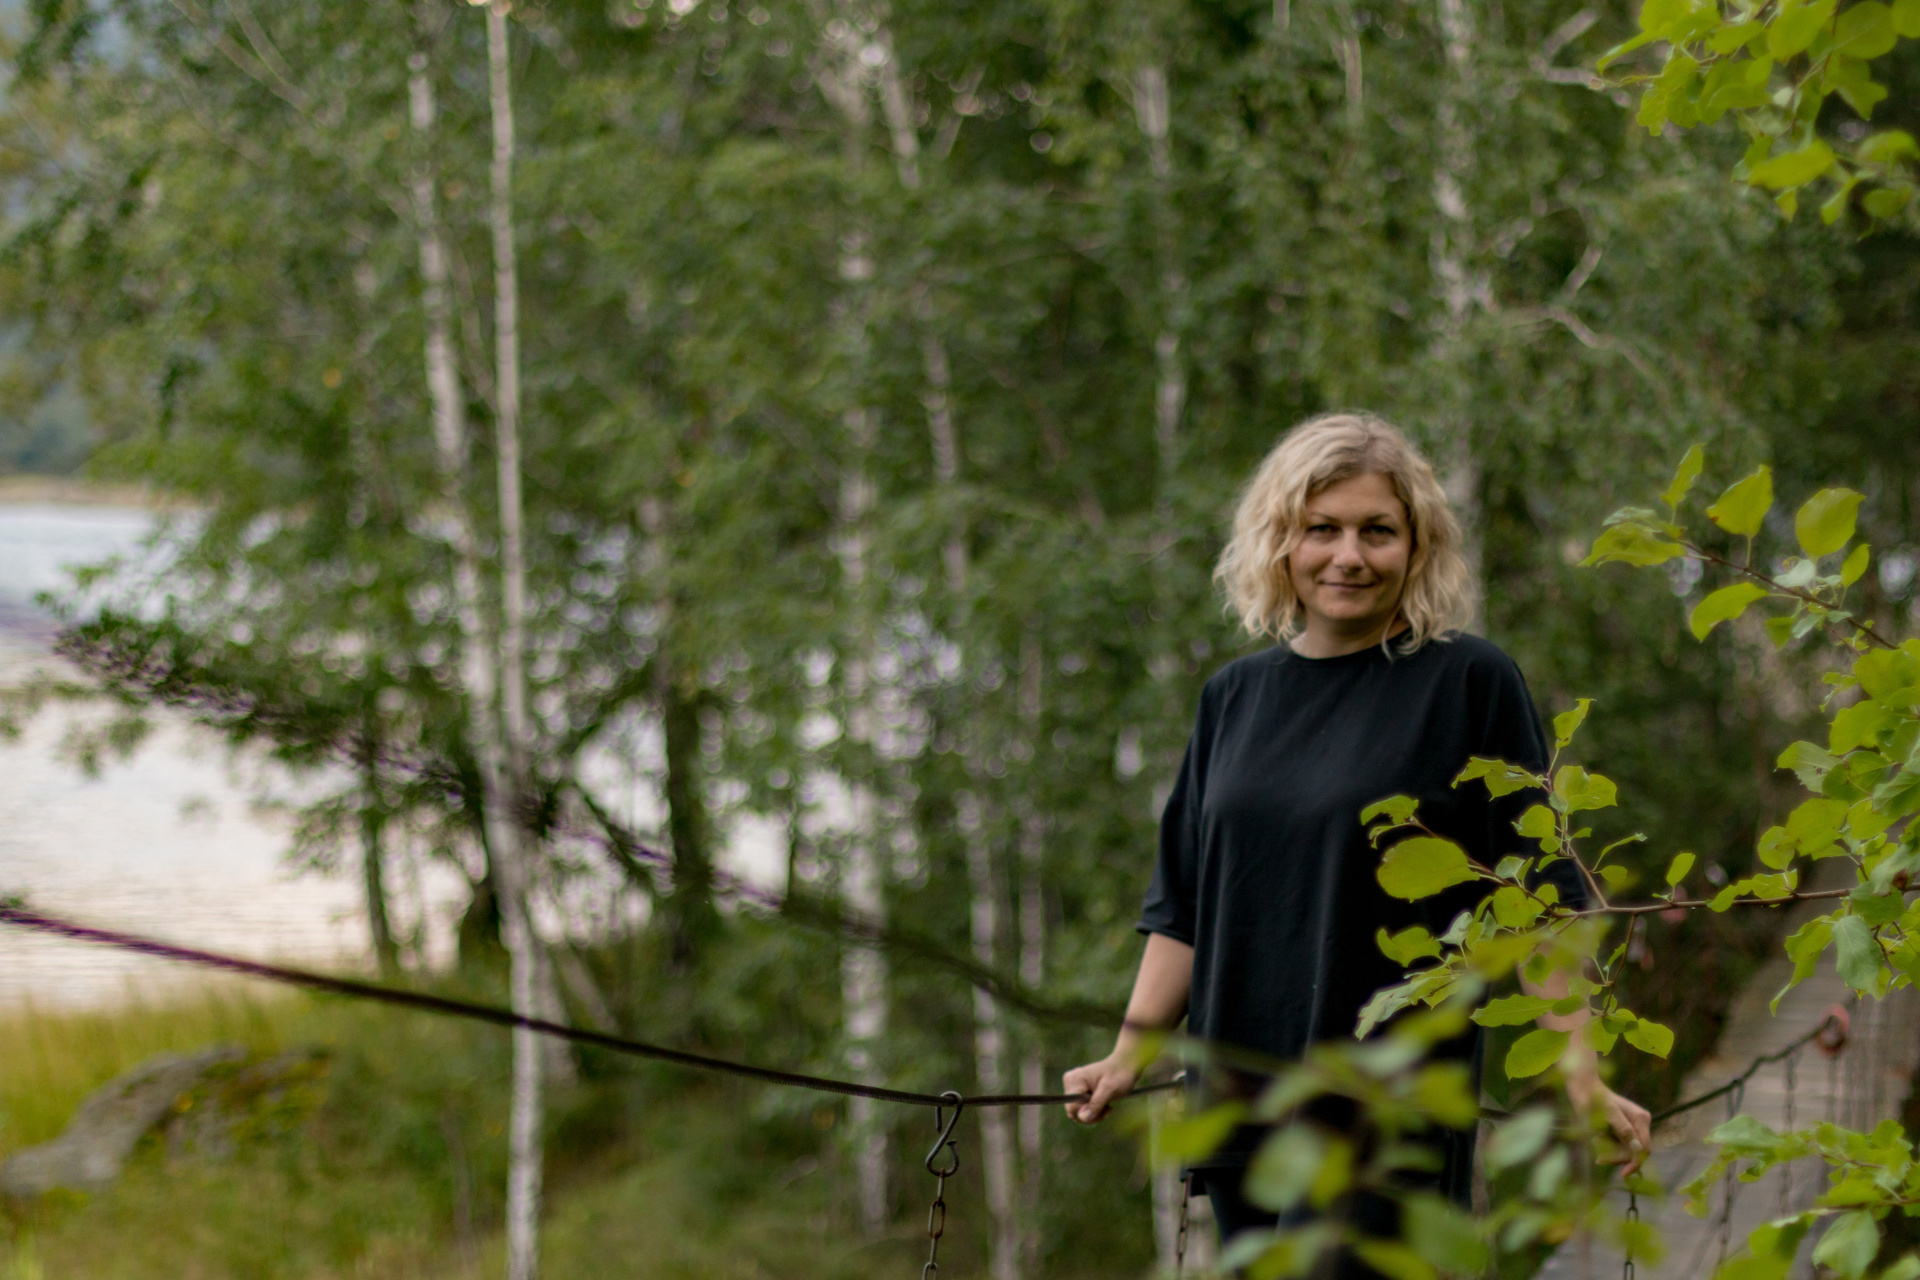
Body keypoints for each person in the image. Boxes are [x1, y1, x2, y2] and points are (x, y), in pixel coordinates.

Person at [1061, 412, 1651, 1260]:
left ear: (1417, 545)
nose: (1349, 555)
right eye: (1322, 529)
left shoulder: (1468, 682)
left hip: (1389, 1113)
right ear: (1281, 543)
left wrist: (1581, 1075)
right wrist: (1127, 1055)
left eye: (1377, 531)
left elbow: (1535, 902)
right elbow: (1184, 909)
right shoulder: (1233, 699)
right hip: (1240, 1105)